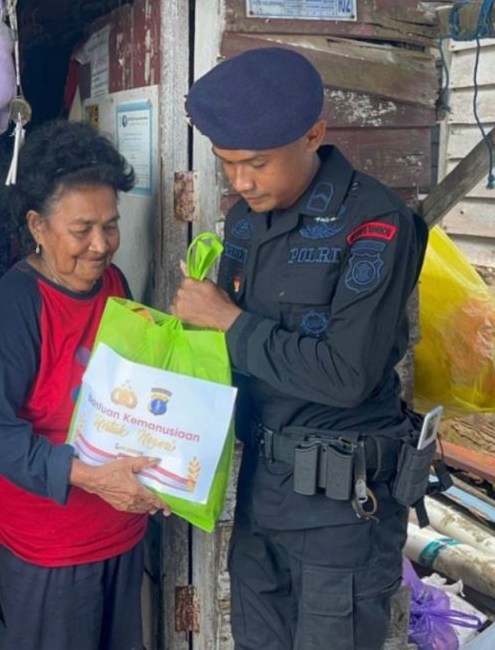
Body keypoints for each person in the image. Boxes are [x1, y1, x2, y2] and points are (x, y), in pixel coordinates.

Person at [171, 47, 429, 650]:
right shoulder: (243, 222)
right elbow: (224, 357)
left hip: (342, 508)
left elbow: (345, 375)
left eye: (256, 163)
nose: (240, 181)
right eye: (226, 163)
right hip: (262, 491)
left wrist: (228, 321)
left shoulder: (377, 224)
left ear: (314, 134)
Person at [0, 120, 167, 650]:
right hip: (49, 543)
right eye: (82, 230)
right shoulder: (20, 302)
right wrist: (91, 478)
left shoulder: (114, 284)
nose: (100, 245)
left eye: (111, 226)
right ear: (37, 225)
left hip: (119, 528)